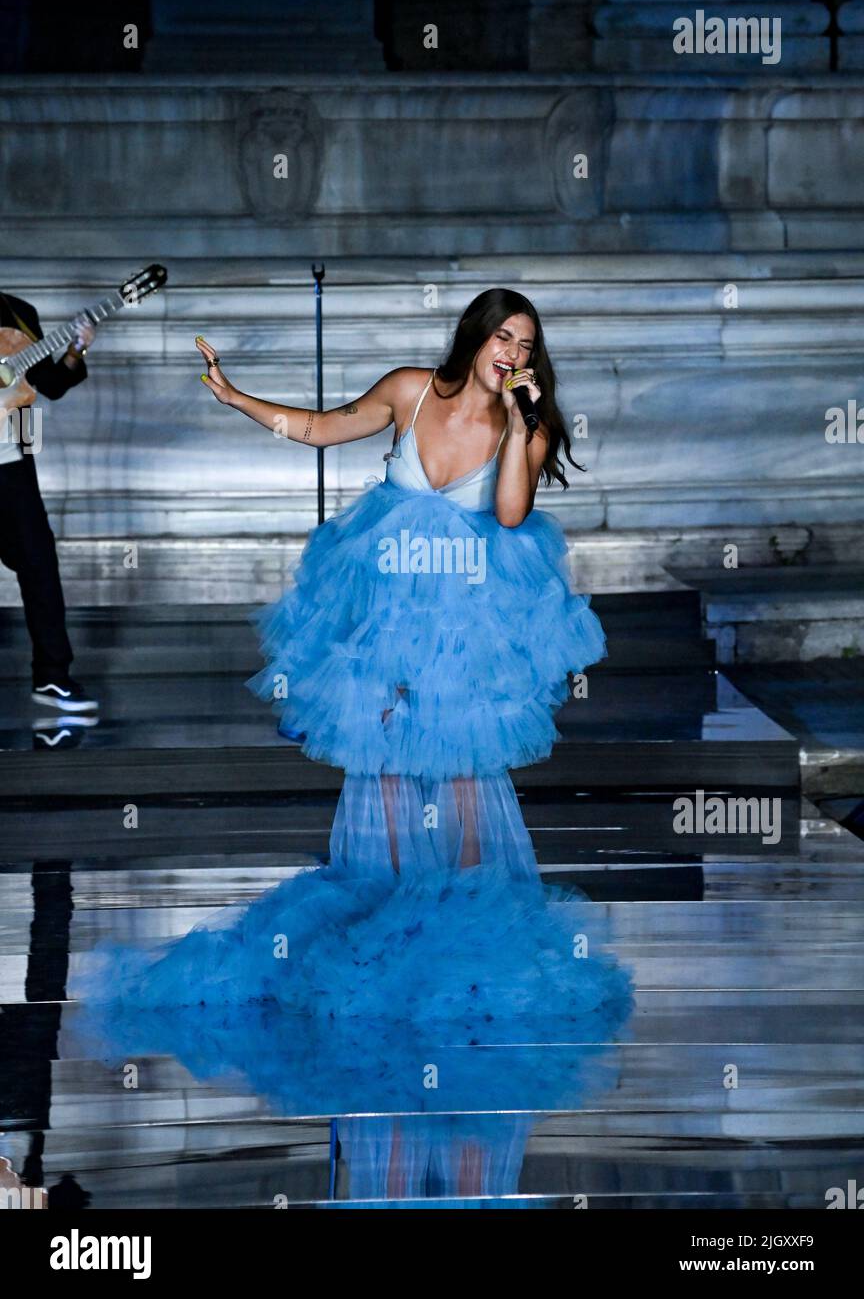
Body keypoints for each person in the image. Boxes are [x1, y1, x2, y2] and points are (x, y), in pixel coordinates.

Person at [73, 290, 631, 1036]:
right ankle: (389, 933)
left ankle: (468, 946)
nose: (514, 353)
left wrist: (524, 423)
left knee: (464, 775)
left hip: (467, 627)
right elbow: (323, 429)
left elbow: (508, 514)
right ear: (476, 338)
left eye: (526, 346)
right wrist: (237, 396)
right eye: (503, 337)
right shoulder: (411, 391)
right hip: (386, 619)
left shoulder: (524, 425)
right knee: (389, 767)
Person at [0, 291, 97, 712]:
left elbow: (51, 385)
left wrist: (76, 349)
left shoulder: (18, 313)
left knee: (39, 561)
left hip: (10, 462)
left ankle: (53, 678)